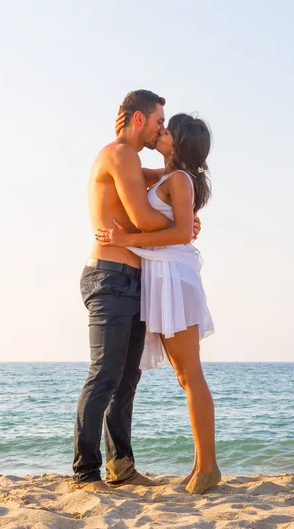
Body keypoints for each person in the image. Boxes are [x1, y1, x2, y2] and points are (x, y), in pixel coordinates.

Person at [73, 90, 201, 492]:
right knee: (105, 376)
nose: (163, 129)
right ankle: (85, 472)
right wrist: (180, 232)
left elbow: (166, 184)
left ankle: (121, 467)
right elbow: (145, 219)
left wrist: (186, 221)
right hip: (109, 277)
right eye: (160, 122)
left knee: (127, 378)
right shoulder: (120, 153)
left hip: (133, 280)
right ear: (139, 119)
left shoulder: (135, 162)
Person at [96, 112, 221, 494]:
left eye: (167, 131)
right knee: (186, 376)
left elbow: (182, 232)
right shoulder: (169, 176)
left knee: (190, 376)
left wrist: (126, 242)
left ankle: (209, 466)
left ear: (178, 144)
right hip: (163, 277)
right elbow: (147, 187)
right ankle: (201, 465)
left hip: (173, 279)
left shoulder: (180, 179)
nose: (160, 133)